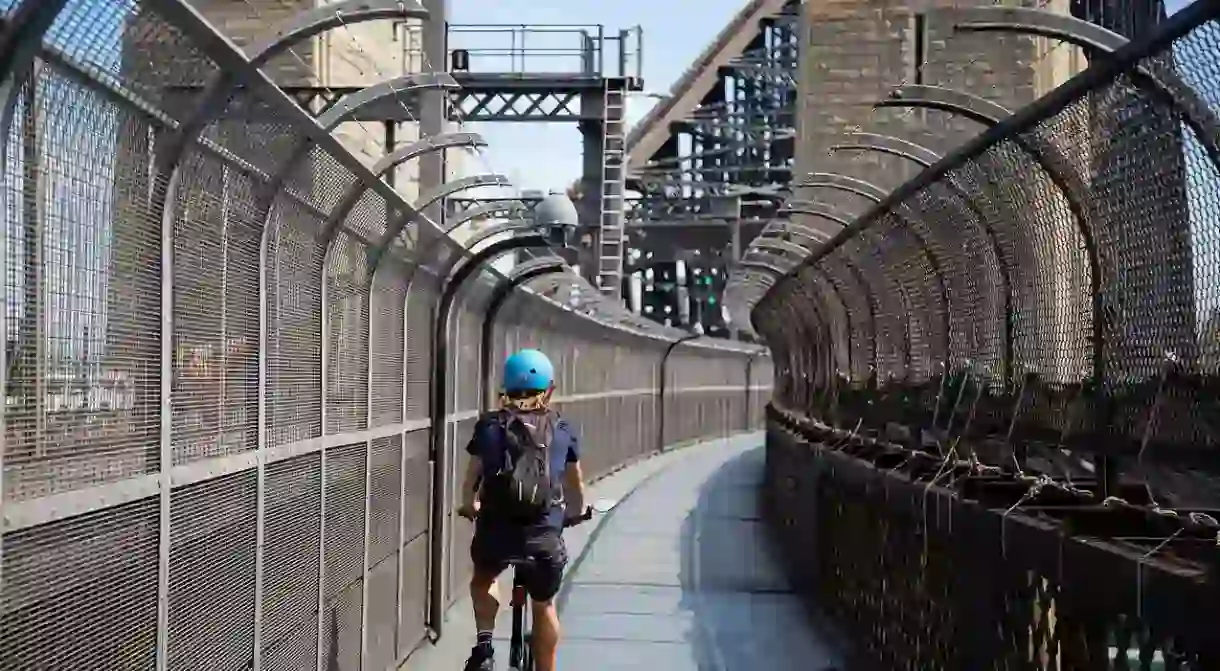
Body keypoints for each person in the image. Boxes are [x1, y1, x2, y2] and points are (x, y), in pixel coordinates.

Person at [457, 348, 587, 671]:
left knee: (484, 577)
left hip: (496, 535)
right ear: (550, 391)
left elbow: (471, 479)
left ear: (504, 390)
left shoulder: (488, 427)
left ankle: (485, 646)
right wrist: (575, 512)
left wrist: (468, 505)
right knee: (543, 605)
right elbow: (575, 487)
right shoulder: (563, 429)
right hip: (543, 538)